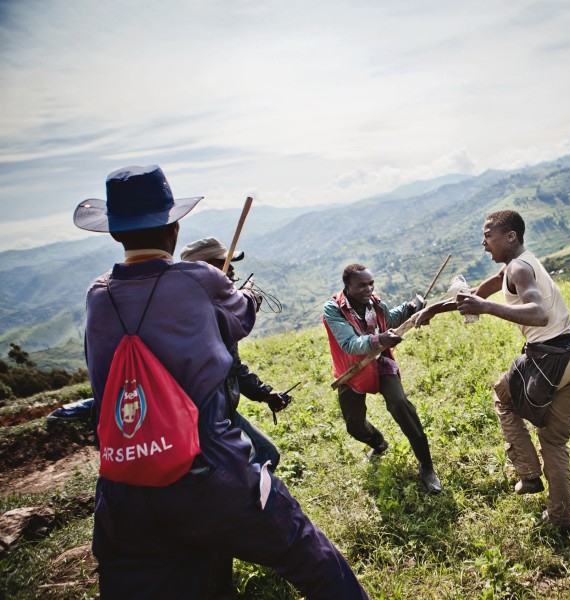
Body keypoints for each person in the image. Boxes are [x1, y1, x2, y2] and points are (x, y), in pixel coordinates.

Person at [76, 165, 367, 599]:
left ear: (116, 235)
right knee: (308, 554)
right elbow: (242, 317)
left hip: (126, 486)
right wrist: (243, 293)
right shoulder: (201, 280)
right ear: (173, 229)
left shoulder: (98, 296)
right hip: (207, 469)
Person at [414, 210, 570, 531]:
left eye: (488, 235)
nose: (483, 243)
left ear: (510, 236)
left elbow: (538, 313)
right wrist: (434, 309)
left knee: (502, 396)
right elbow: (475, 295)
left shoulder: (519, 268)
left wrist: (486, 308)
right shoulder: (518, 265)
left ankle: (527, 473)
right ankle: (561, 520)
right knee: (554, 442)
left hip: (549, 359)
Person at [323, 264, 442, 494]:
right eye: (361, 285)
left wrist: (410, 308)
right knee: (354, 425)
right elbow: (349, 344)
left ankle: (426, 466)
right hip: (352, 370)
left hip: (380, 364)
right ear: (347, 287)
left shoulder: (375, 304)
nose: (368, 288)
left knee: (400, 404)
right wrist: (379, 340)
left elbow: (390, 319)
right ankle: (378, 443)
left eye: (370, 283)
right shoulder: (333, 309)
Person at [180, 236, 289, 470]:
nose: (231, 273)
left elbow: (231, 366)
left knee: (268, 454)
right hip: (206, 422)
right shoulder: (195, 316)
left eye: (231, 270)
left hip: (224, 413)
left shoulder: (218, 312)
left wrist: (265, 394)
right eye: (224, 267)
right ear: (204, 271)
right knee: (250, 466)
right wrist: (243, 304)